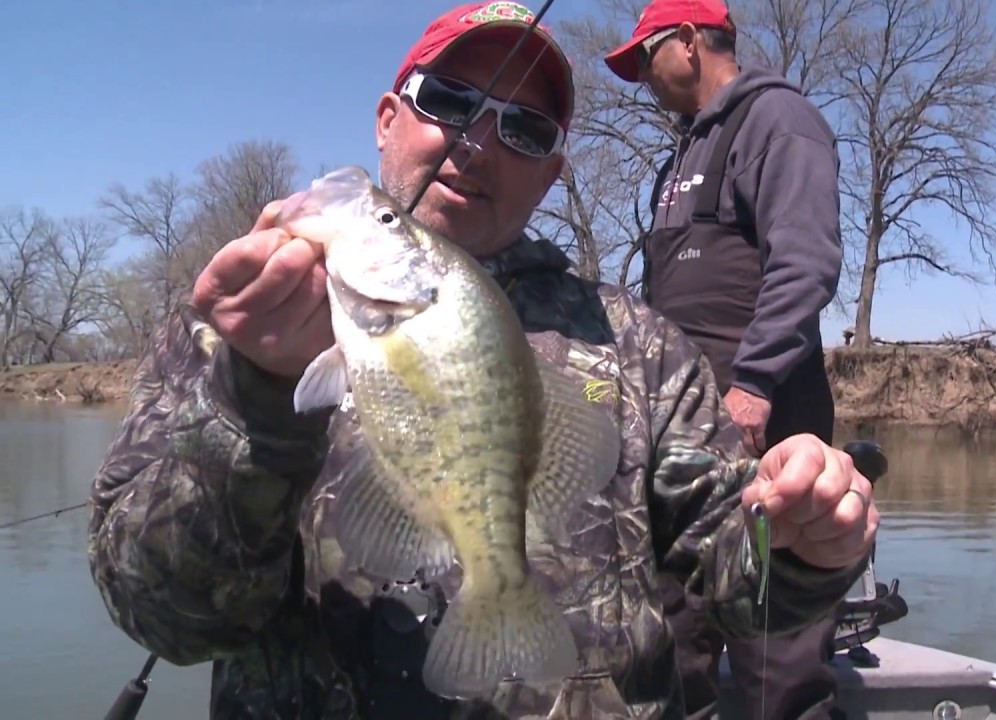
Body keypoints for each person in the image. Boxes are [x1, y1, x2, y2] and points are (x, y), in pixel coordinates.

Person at [85, 2, 878, 719]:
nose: (478, 142)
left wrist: (805, 547)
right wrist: (253, 395)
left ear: (551, 174)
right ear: (388, 118)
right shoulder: (235, 323)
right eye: (449, 103)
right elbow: (168, 620)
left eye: (525, 130)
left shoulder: (639, 345)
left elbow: (740, 588)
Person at [603, 0, 846, 718]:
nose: (641, 80)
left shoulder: (777, 121)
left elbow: (803, 264)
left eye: (645, 60)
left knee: (780, 654)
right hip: (675, 446)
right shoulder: (680, 156)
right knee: (675, 641)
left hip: (761, 425)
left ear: (686, 42)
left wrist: (754, 385)